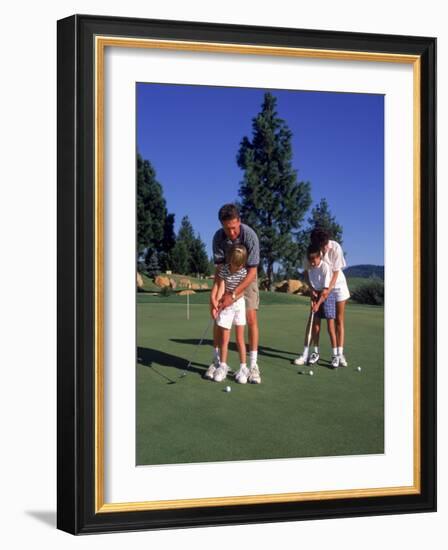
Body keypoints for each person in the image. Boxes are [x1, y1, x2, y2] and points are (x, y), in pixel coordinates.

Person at [208, 204, 261, 384]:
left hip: (247, 277)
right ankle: (217, 363)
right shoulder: (218, 237)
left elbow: (252, 272)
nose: (231, 232)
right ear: (221, 225)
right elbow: (220, 271)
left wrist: (234, 295)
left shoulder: (250, 236)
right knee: (219, 321)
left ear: (239, 221)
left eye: (233, 228)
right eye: (226, 228)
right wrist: (214, 297)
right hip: (226, 278)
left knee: (251, 318)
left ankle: (252, 366)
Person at [204, 244, 249, 383]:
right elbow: (220, 287)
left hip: (239, 304)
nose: (238, 268)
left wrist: (231, 299)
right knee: (224, 338)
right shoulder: (224, 270)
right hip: (226, 305)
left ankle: (243, 368)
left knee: (240, 338)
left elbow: (242, 291)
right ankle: (222, 366)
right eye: (235, 265)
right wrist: (217, 303)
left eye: (240, 265)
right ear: (230, 260)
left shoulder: (243, 272)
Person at [310, 228, 350, 367]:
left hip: (338, 286)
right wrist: (321, 290)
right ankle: (316, 352)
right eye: (323, 245)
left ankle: (340, 354)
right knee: (321, 322)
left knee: (339, 320)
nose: (326, 247)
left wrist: (329, 289)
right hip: (325, 287)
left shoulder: (336, 247)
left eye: (326, 243)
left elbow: (336, 272)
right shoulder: (316, 251)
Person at [294, 244, 339, 368]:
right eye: (310, 260)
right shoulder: (310, 266)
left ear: (320, 257)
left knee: (330, 327)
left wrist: (317, 304)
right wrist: (312, 290)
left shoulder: (325, 267)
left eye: (314, 260)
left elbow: (325, 291)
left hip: (327, 295)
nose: (312, 263)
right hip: (317, 293)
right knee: (316, 327)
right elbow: (308, 277)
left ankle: (335, 355)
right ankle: (315, 352)